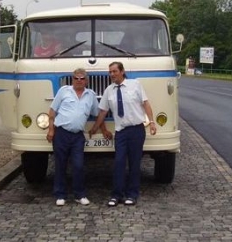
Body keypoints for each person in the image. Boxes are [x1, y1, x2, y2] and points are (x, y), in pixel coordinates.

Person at [89, 61, 156, 207]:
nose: (112, 74)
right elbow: (103, 112)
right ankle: (116, 195)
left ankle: (132, 195)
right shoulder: (109, 90)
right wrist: (96, 128)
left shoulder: (135, 85)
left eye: (115, 71)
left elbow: (146, 104)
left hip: (136, 130)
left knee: (134, 163)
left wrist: (152, 122)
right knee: (118, 163)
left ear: (122, 71)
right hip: (120, 132)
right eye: (110, 72)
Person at [46, 68, 109, 206]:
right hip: (61, 133)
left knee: (79, 165)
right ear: (72, 79)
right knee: (60, 165)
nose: (79, 81)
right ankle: (60, 195)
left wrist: (102, 129)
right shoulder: (64, 91)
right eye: (76, 78)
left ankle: (79, 194)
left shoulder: (90, 95)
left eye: (82, 78)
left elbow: (97, 114)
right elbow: (52, 111)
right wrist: (51, 130)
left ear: (86, 80)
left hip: (77, 136)